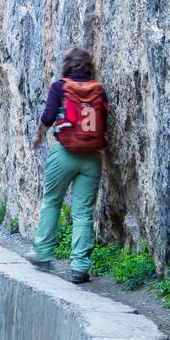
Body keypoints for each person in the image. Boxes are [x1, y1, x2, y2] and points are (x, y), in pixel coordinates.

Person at [27, 48, 110, 283]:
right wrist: (104, 156)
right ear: (89, 67)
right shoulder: (99, 90)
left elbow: (49, 116)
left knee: (52, 201)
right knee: (83, 213)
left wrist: (39, 135)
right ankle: (80, 267)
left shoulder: (60, 87)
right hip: (92, 156)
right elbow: (104, 123)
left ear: (67, 66)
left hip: (64, 153)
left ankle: (43, 253)